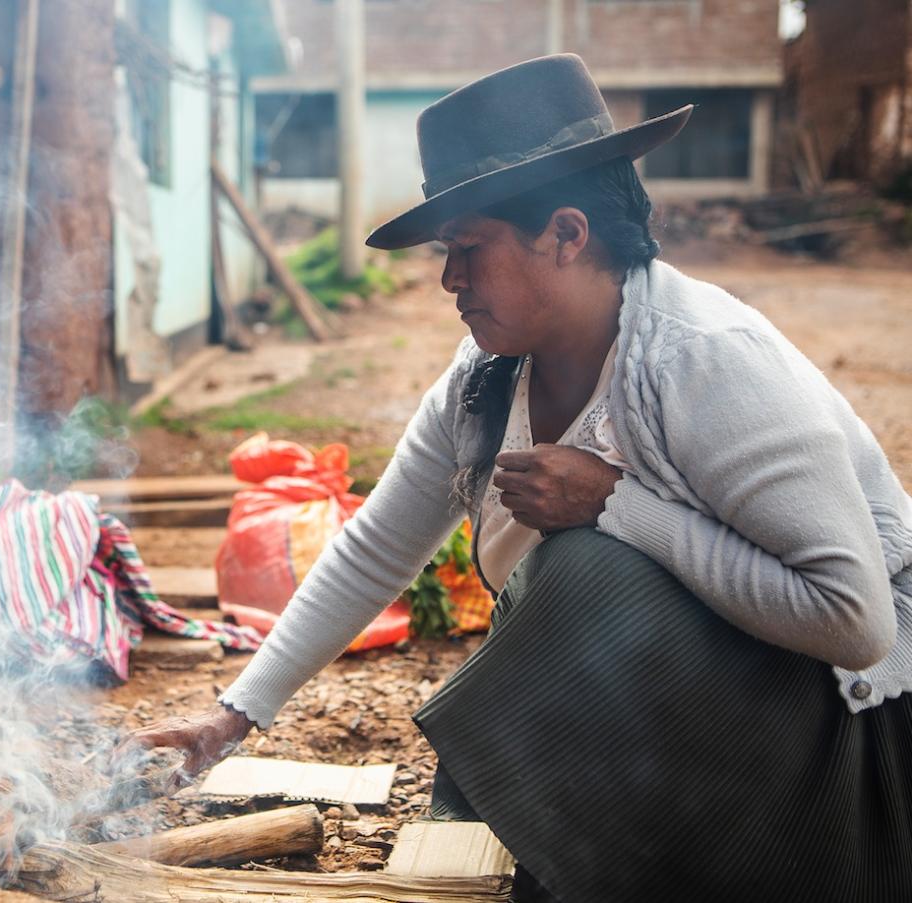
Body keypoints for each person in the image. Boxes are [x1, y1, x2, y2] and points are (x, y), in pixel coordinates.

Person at [121, 54, 912, 902]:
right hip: (709, 710)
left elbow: (854, 618)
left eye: (469, 249)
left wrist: (616, 504)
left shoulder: (705, 362)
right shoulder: (485, 378)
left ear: (568, 235)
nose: (449, 280)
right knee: (562, 583)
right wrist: (232, 716)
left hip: (847, 739)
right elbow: (376, 547)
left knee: (583, 570)